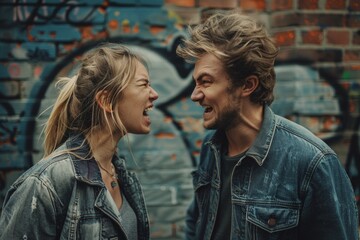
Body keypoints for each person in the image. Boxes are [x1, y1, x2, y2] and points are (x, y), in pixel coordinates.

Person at [176, 10, 359, 240]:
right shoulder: (211, 148)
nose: (195, 95)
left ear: (247, 85)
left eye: (206, 82)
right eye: (196, 83)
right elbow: (196, 223)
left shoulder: (312, 163)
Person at [0, 43, 159, 239]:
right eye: (144, 84)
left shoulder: (122, 177)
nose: (154, 94)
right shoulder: (45, 184)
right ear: (107, 101)